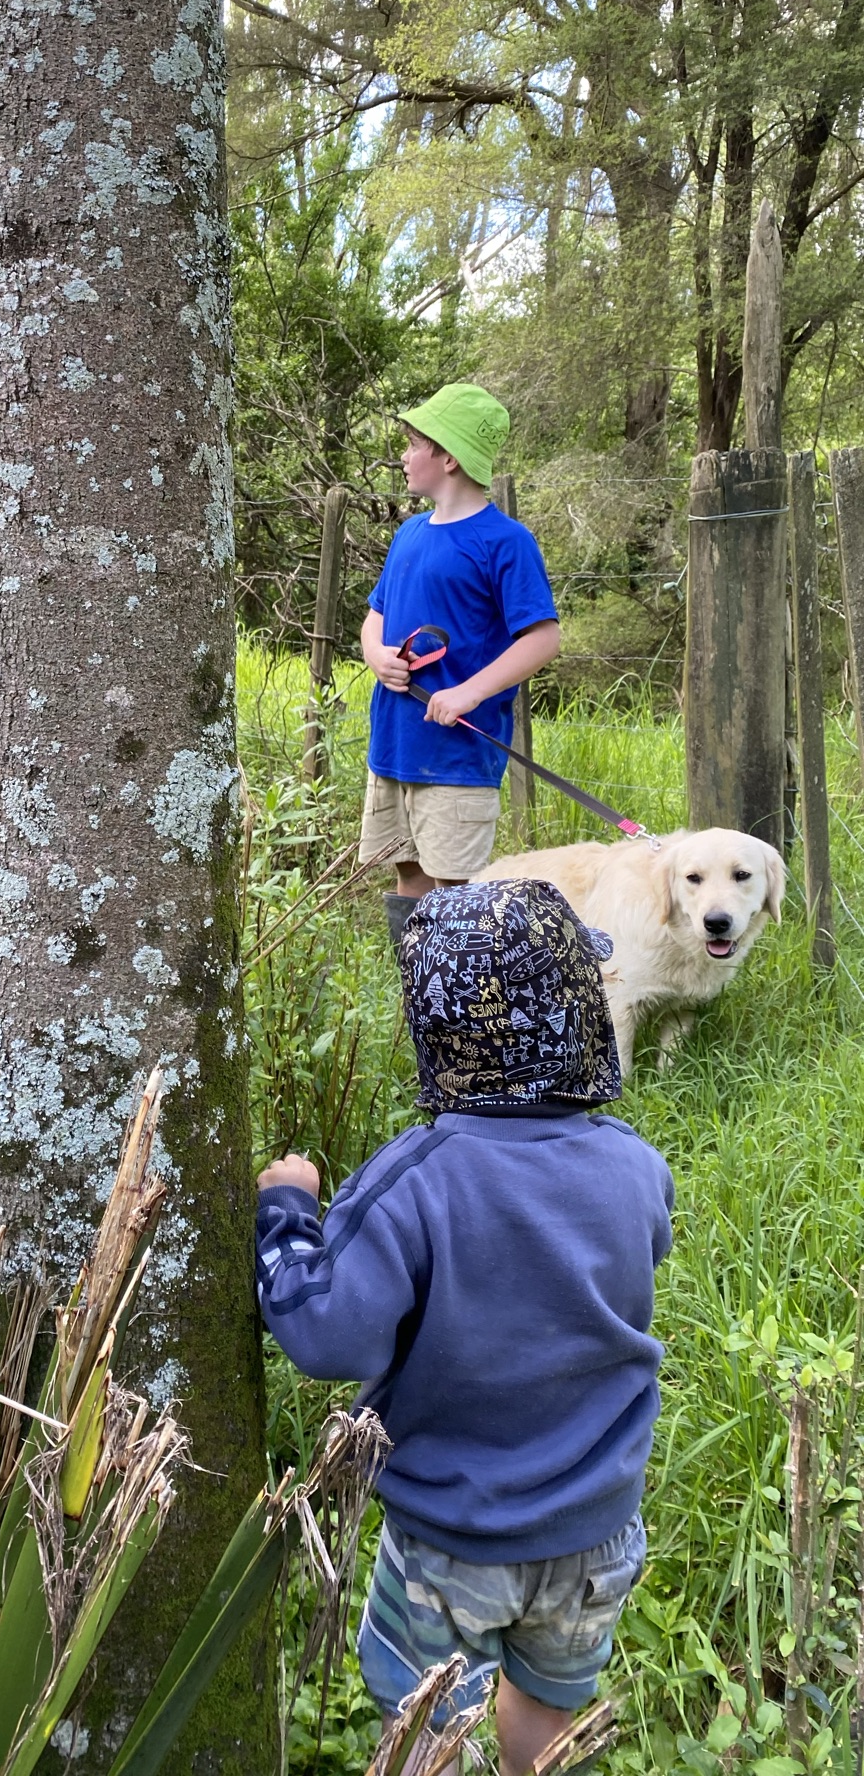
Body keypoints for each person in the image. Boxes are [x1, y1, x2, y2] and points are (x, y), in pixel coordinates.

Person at [256, 881, 674, 1776]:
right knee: (550, 1706)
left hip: (455, 1539)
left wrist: (287, 1214)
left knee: (429, 1731)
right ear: (577, 1012)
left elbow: (325, 1334)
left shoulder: (418, 1179)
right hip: (596, 1530)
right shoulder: (637, 1167)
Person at [360, 383, 560, 944]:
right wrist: (377, 657)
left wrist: (468, 693)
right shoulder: (408, 534)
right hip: (396, 746)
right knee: (408, 876)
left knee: (454, 895)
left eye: (414, 443)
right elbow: (375, 616)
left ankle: (458, 1018)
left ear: (448, 457)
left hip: (457, 757)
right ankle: (419, 1008)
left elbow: (543, 638)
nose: (403, 455)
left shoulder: (506, 542)